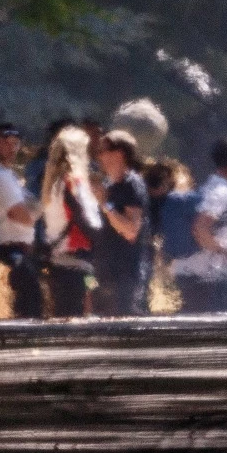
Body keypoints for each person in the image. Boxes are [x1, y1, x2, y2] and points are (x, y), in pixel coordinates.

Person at [169, 139, 227, 313]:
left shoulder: (211, 186)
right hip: (205, 275)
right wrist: (225, 251)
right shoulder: (221, 191)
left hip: (194, 273)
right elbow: (201, 229)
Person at [0, 124, 44, 318]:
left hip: (17, 252)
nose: (12, 148)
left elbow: (30, 210)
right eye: (6, 143)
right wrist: (37, 210)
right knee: (29, 309)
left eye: (16, 143)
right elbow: (24, 217)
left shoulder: (9, 175)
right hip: (8, 253)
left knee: (28, 308)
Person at [40, 126, 102, 317]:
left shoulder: (51, 184)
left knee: (63, 317)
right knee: (82, 319)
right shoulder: (73, 184)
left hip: (60, 263)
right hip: (79, 266)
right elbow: (85, 220)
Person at [92, 131, 150, 316]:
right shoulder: (109, 185)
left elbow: (131, 230)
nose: (99, 156)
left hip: (125, 276)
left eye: (104, 150)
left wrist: (105, 204)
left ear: (120, 154)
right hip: (106, 272)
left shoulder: (132, 185)